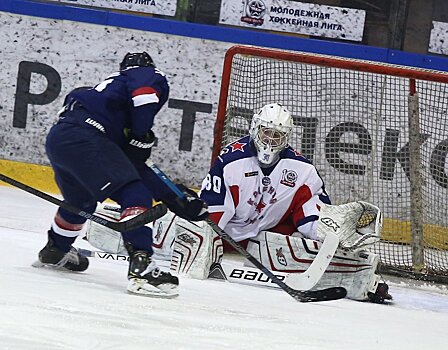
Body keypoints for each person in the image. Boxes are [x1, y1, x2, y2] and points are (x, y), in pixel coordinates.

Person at [169, 103, 391, 303]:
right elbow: (212, 214)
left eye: (277, 135)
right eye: (267, 132)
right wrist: (208, 242)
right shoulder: (230, 162)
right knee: (194, 233)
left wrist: (329, 229)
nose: (270, 140)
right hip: (224, 231)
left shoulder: (302, 170)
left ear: (286, 137)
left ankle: (363, 277)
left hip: (265, 234)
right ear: (255, 129)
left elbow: (310, 216)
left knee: (301, 245)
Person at [34, 52, 208, 298]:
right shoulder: (145, 75)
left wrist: (175, 196)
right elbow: (144, 94)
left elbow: (135, 167)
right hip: (87, 139)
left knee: (80, 201)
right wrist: (141, 132)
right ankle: (142, 266)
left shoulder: (106, 101)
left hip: (60, 140)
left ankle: (56, 249)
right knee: (135, 194)